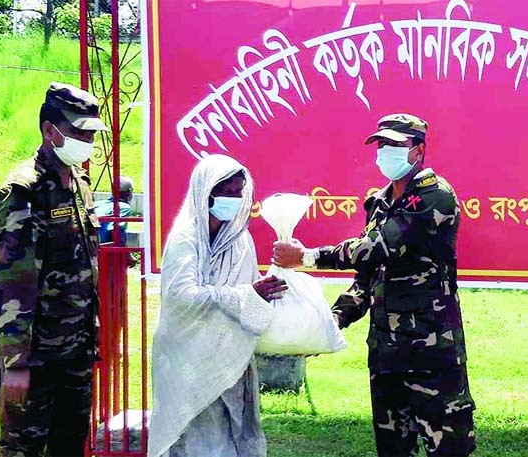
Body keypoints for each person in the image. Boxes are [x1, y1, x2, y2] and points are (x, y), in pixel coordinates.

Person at [273, 113, 476, 456]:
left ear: (419, 150)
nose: (385, 152)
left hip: (431, 355)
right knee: (393, 449)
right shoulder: (380, 202)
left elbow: (378, 247)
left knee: (449, 450)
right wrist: (327, 322)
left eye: (396, 145)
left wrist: (308, 258)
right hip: (386, 355)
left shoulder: (434, 197)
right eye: (382, 144)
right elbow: (367, 279)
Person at [0, 82, 109, 456]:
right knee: (22, 450)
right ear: (49, 130)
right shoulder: (24, 190)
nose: (86, 141)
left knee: (69, 446)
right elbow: (14, 284)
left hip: (74, 351)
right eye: (78, 132)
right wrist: (16, 364)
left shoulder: (79, 184)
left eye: (91, 133)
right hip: (35, 356)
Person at [148, 154, 288, 457]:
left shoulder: (241, 240)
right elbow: (182, 295)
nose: (234, 199)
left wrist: (264, 293)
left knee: (236, 434)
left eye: (239, 192)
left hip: (231, 356)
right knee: (200, 439)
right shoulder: (186, 238)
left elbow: (250, 297)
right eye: (226, 192)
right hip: (188, 357)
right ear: (205, 193)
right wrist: (242, 294)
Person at [94, 175, 133, 244]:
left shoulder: (97, 204)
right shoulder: (124, 207)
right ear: (129, 192)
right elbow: (116, 231)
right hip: (104, 247)